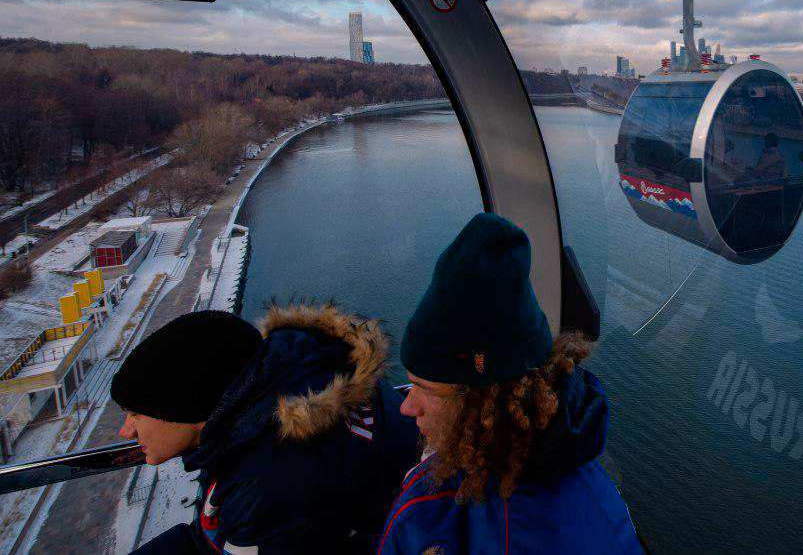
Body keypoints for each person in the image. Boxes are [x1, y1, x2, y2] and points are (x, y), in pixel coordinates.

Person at [378, 213, 643, 554]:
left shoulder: (432, 518)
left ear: (478, 399)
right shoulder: (593, 484)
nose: (406, 405)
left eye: (426, 389)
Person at [112, 305, 419, 553]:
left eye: (136, 414)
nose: (127, 432)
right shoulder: (287, 393)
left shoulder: (271, 480)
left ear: (190, 411)